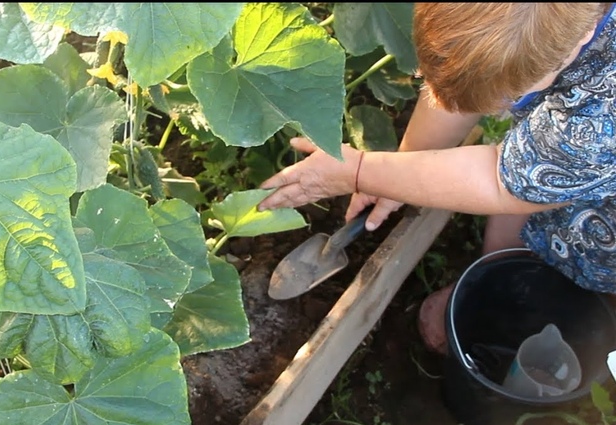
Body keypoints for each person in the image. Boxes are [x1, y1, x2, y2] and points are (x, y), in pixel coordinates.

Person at [257, 3, 616, 355]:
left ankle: (509, 294)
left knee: (577, 242)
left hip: (604, 226)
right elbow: (459, 90)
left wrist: (362, 171)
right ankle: (494, 277)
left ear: (583, 37)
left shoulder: (601, 112)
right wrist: (397, 172)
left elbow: (503, 181)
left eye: (510, 97)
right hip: (559, 151)